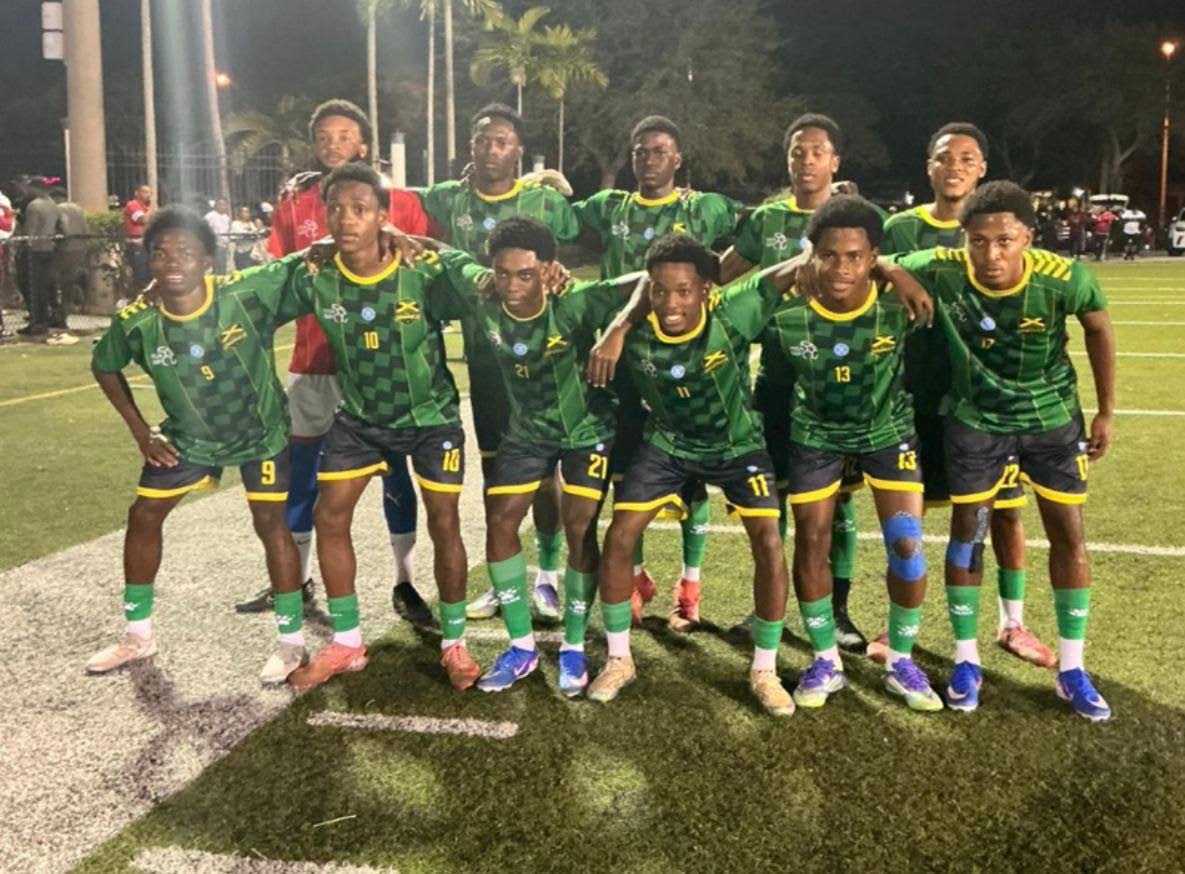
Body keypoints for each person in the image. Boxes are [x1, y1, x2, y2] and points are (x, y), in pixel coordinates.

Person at [892, 181, 1116, 721]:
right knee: (967, 534)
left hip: (1051, 419)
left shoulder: (1064, 278)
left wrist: (1107, 410)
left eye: (1005, 241)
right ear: (964, 239)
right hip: (976, 420)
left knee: (1068, 534)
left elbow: (1098, 328)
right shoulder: (944, 268)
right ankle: (966, 660)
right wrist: (899, 275)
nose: (991, 254)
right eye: (978, 241)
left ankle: (1072, 669)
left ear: (1028, 239)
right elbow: (880, 261)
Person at [85, 206, 309, 684]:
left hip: (259, 435)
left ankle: (291, 642)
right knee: (144, 514)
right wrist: (141, 431)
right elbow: (104, 365)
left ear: (208, 260)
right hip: (189, 438)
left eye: (185, 252)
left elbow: (303, 263)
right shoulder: (137, 320)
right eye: (160, 253)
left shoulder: (245, 292)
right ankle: (138, 636)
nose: (172, 262)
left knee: (270, 524)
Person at [235, 98, 435, 630]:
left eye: (345, 135)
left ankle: (406, 581)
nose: (333, 144)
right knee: (300, 474)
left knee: (394, 473)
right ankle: (297, 580)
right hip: (313, 361)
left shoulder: (401, 201)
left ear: (363, 144)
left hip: (378, 366)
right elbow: (279, 274)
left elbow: (427, 257)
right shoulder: (296, 202)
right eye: (324, 135)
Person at [284, 162, 481, 692]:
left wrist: (422, 242)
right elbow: (254, 292)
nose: (346, 219)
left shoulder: (419, 267)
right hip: (361, 420)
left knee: (445, 521)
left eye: (360, 209)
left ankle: (454, 642)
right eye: (336, 209)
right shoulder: (317, 274)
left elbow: (467, 270)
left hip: (430, 418)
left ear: (382, 216)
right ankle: (348, 642)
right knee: (330, 516)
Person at [583, 234, 794, 714]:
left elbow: (797, 266)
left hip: (738, 445)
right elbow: (589, 291)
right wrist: (619, 324)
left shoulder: (733, 310)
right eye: (660, 291)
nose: (671, 303)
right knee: (619, 536)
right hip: (669, 445)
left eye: (683, 291)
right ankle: (619, 660)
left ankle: (765, 669)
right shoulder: (636, 328)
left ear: (704, 290)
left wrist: (890, 270)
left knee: (768, 540)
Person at [438, 217, 643, 696]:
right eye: (503, 273)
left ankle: (573, 645)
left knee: (579, 527)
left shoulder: (575, 300)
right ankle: (522, 646)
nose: (511, 285)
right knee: (500, 520)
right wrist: (397, 238)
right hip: (527, 432)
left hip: (586, 430)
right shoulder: (483, 290)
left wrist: (617, 329)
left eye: (525, 274)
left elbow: (647, 280)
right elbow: (440, 252)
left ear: (548, 270)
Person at [877, 122, 1053, 669]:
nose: (954, 166)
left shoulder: (995, 226)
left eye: (967, 158)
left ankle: (1012, 622)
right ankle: (896, 623)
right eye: (944, 157)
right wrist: (894, 272)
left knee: (1004, 512)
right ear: (928, 165)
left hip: (984, 395)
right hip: (913, 384)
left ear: (982, 169)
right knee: (907, 513)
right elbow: (869, 269)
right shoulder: (901, 228)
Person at [767, 196, 943, 712]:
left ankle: (901, 659)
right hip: (815, 434)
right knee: (811, 542)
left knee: (907, 545)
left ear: (872, 257)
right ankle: (826, 659)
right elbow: (737, 296)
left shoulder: (897, 304)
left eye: (855, 257)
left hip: (888, 431)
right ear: (812, 255)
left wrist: (895, 271)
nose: (841, 268)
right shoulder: (788, 312)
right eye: (828, 255)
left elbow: (945, 259)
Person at [573, 115, 740, 632]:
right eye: (641, 151)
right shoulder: (610, 207)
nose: (649, 160)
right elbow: (556, 219)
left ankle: (690, 585)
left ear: (678, 159)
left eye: (660, 151)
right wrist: (542, 184)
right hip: (624, 361)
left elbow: (756, 234)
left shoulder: (702, 208)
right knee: (628, 474)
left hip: (684, 359)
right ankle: (637, 576)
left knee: (692, 478)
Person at [417, 103, 581, 624]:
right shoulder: (449, 197)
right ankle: (500, 580)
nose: (492, 149)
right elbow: (392, 201)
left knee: (546, 473)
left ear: (519, 150)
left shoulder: (542, 201)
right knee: (495, 474)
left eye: (503, 141)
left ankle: (548, 577)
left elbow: (574, 241)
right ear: (470, 148)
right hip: (485, 358)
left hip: (540, 355)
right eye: (483, 140)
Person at [719, 113, 868, 651]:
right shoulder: (766, 220)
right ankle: (768, 608)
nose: (806, 160)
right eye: (797, 152)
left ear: (835, 161)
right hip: (778, 376)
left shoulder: (854, 218)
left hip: (838, 381)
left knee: (839, 501)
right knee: (772, 496)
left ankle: (839, 611)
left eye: (817, 151)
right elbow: (721, 275)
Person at [19, 178, 58, 337]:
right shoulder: (52, 204)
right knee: (43, 285)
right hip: (48, 248)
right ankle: (44, 319)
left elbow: (30, 231)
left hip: (34, 251)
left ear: (35, 188)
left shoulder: (34, 206)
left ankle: (36, 321)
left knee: (30, 286)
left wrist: (23, 247)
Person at [123, 185, 154, 291]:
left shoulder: (145, 208)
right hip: (136, 245)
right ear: (137, 193)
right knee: (140, 276)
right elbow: (142, 220)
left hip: (146, 245)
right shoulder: (133, 205)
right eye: (145, 192)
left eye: (150, 193)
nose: (148, 195)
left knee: (149, 276)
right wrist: (150, 210)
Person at [204, 197, 231, 274]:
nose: (222, 206)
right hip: (214, 245)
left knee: (223, 267)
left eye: (224, 205)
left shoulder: (226, 217)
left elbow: (227, 231)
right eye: (220, 204)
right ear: (216, 205)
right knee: (217, 267)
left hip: (224, 245)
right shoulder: (209, 216)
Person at [230, 205, 261, 270]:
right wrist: (251, 233)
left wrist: (254, 234)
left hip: (252, 252)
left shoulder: (251, 223)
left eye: (248, 212)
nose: (247, 214)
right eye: (245, 212)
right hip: (242, 252)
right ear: (239, 213)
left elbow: (256, 234)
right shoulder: (235, 223)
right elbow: (241, 234)